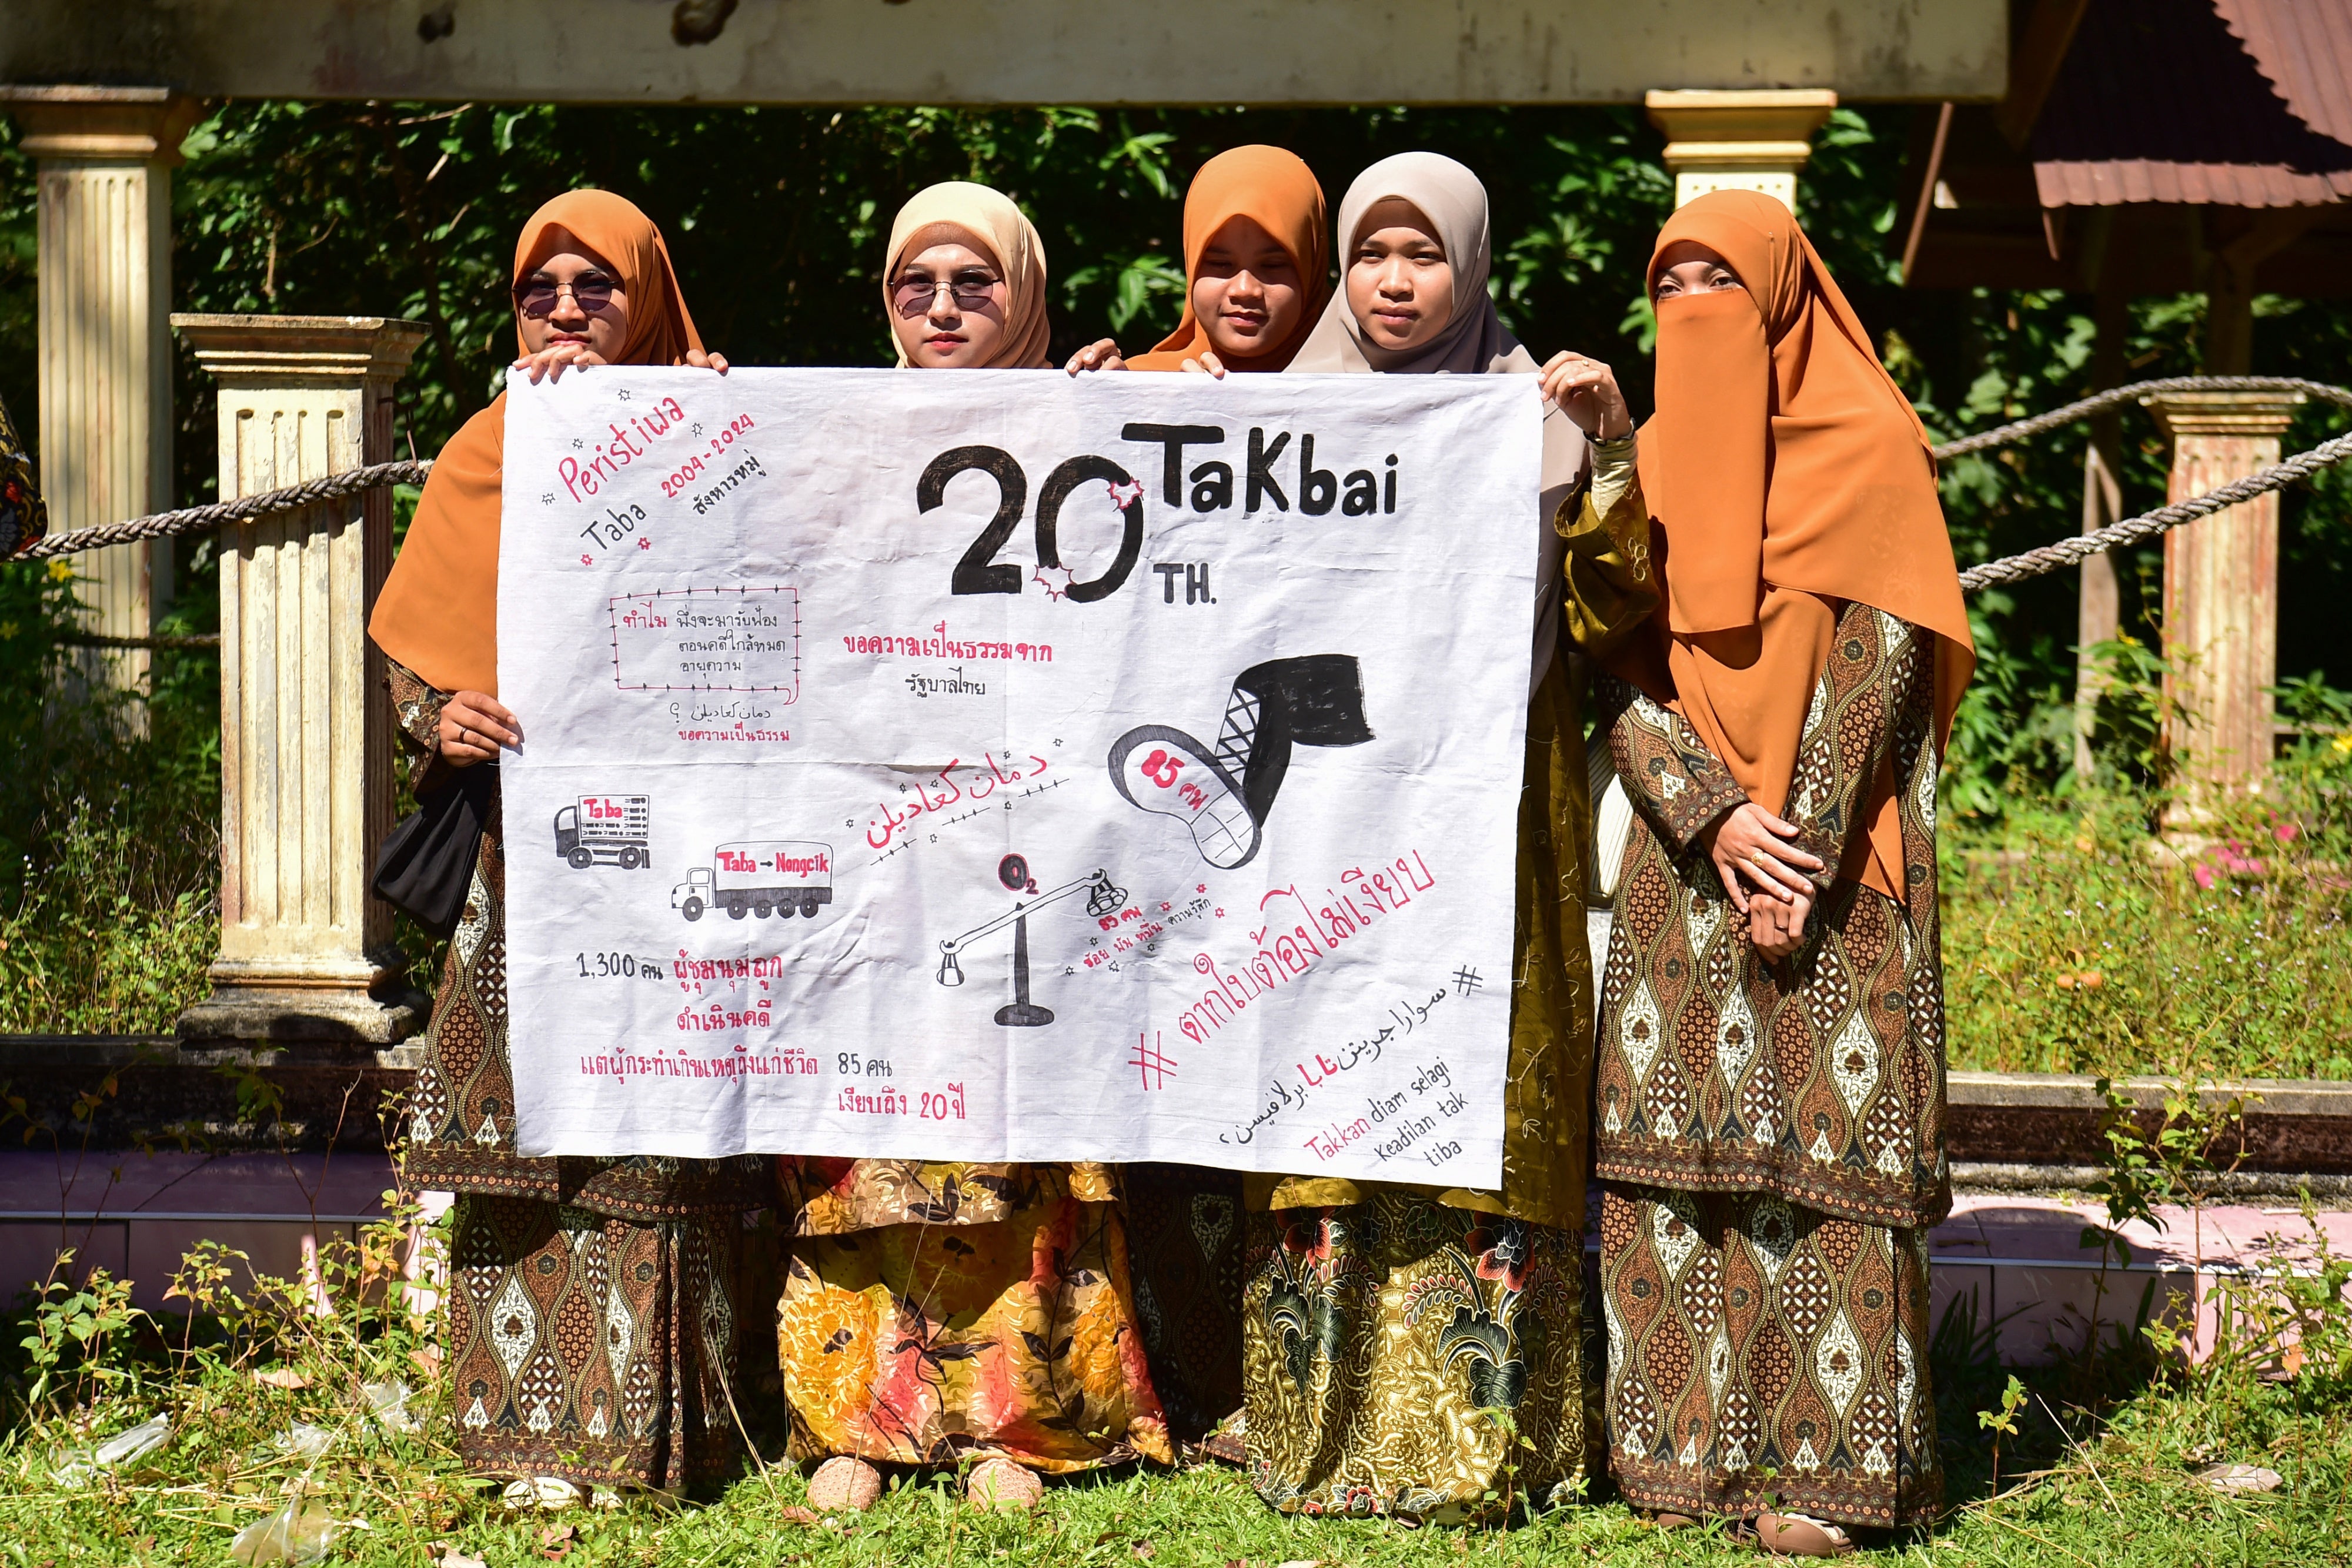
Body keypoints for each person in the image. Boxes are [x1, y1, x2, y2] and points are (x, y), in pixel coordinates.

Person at [1237, 151, 1659, 1521]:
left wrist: (1605, 455)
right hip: (1321, 828)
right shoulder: (1275, 423)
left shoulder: (1532, 419)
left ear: (1471, 267)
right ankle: (1313, 1432)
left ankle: (1487, 1443)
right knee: (1328, 1092)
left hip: (1489, 826)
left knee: (1472, 1086)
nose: (1393, 279)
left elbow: (1617, 625)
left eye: (1421, 255)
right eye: (1370, 255)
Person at [777, 180, 1172, 1514]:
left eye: (974, 283)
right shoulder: (826, 444)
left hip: (1029, 836)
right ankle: (863, 1426)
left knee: (1019, 1141)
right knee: (863, 1136)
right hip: (873, 839)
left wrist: (1118, 415)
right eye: (914, 285)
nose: (943, 308)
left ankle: (1020, 1429)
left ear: (1026, 293)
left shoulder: (1082, 428)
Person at [1591, 189, 1974, 1555]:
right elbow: (1610, 677)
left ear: (1785, 292)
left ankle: (1828, 1476)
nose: (1693, 306)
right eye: (1669, 282)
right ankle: (1678, 1456)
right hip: (1684, 860)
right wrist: (1712, 818)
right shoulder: (1638, 466)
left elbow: (1884, 658)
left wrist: (1793, 844)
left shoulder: (1867, 442)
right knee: (1675, 1164)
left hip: (1835, 855)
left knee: (1828, 1169)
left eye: (1721, 280)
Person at [368, 189, 764, 1503]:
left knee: (655, 1123)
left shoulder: (718, 435)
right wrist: (446, 715)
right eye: (543, 288)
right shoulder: (490, 445)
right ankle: (519, 1429)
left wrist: (698, 423)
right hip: (520, 856)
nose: (568, 310)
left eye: (599, 287)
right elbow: (415, 651)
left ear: (646, 297)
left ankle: (665, 1433)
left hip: (680, 851)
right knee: (524, 1133)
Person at [1063, 144, 1327, 379]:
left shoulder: (1355, 391)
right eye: (1220, 265)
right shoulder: (1146, 382)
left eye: (1273, 266)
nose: (1245, 290)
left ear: (1311, 271)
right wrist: (1116, 403)